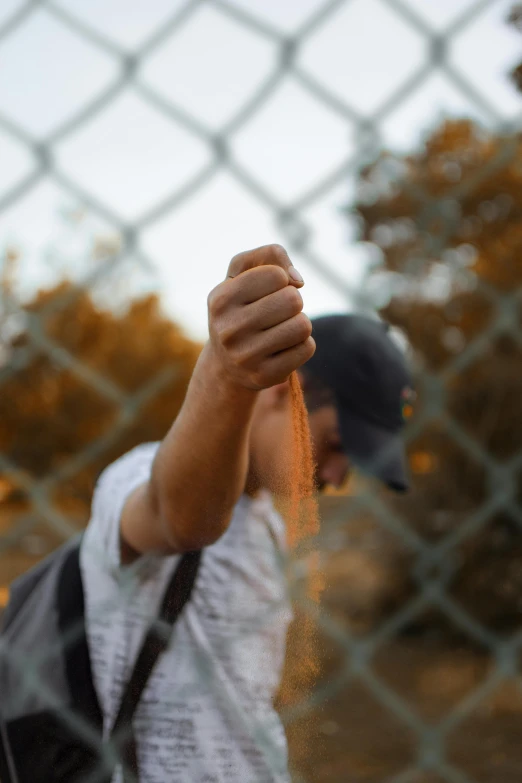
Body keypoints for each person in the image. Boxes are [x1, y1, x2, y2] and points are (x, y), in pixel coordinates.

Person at [81, 244, 413, 783]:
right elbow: (180, 519)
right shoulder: (137, 475)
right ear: (288, 391)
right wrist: (226, 375)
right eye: (333, 444)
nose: (333, 477)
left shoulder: (266, 524)